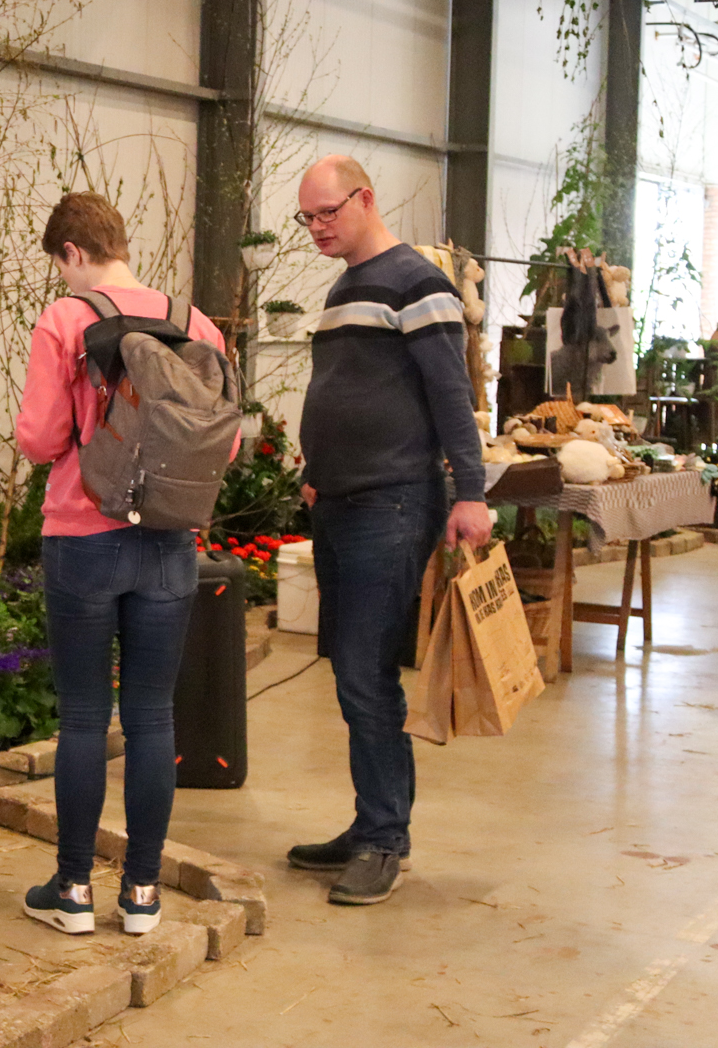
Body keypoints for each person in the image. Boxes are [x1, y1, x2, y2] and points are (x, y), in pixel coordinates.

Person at [12, 191, 227, 938]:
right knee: (152, 717)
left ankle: (73, 889)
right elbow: (224, 440)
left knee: (82, 715)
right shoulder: (196, 322)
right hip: (168, 539)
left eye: (60, 264)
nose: (63, 277)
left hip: (83, 534)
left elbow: (41, 438)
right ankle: (141, 892)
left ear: (72, 252)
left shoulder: (66, 318)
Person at [291, 155, 490, 906]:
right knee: (352, 670)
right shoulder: (346, 286)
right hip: (340, 501)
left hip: (394, 504)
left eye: (328, 213)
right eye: (307, 217)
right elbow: (346, 389)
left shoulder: (418, 283)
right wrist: (317, 467)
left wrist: (471, 493)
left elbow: (451, 393)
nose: (317, 227)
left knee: (366, 671)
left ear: (365, 198)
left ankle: (384, 839)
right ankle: (371, 821)